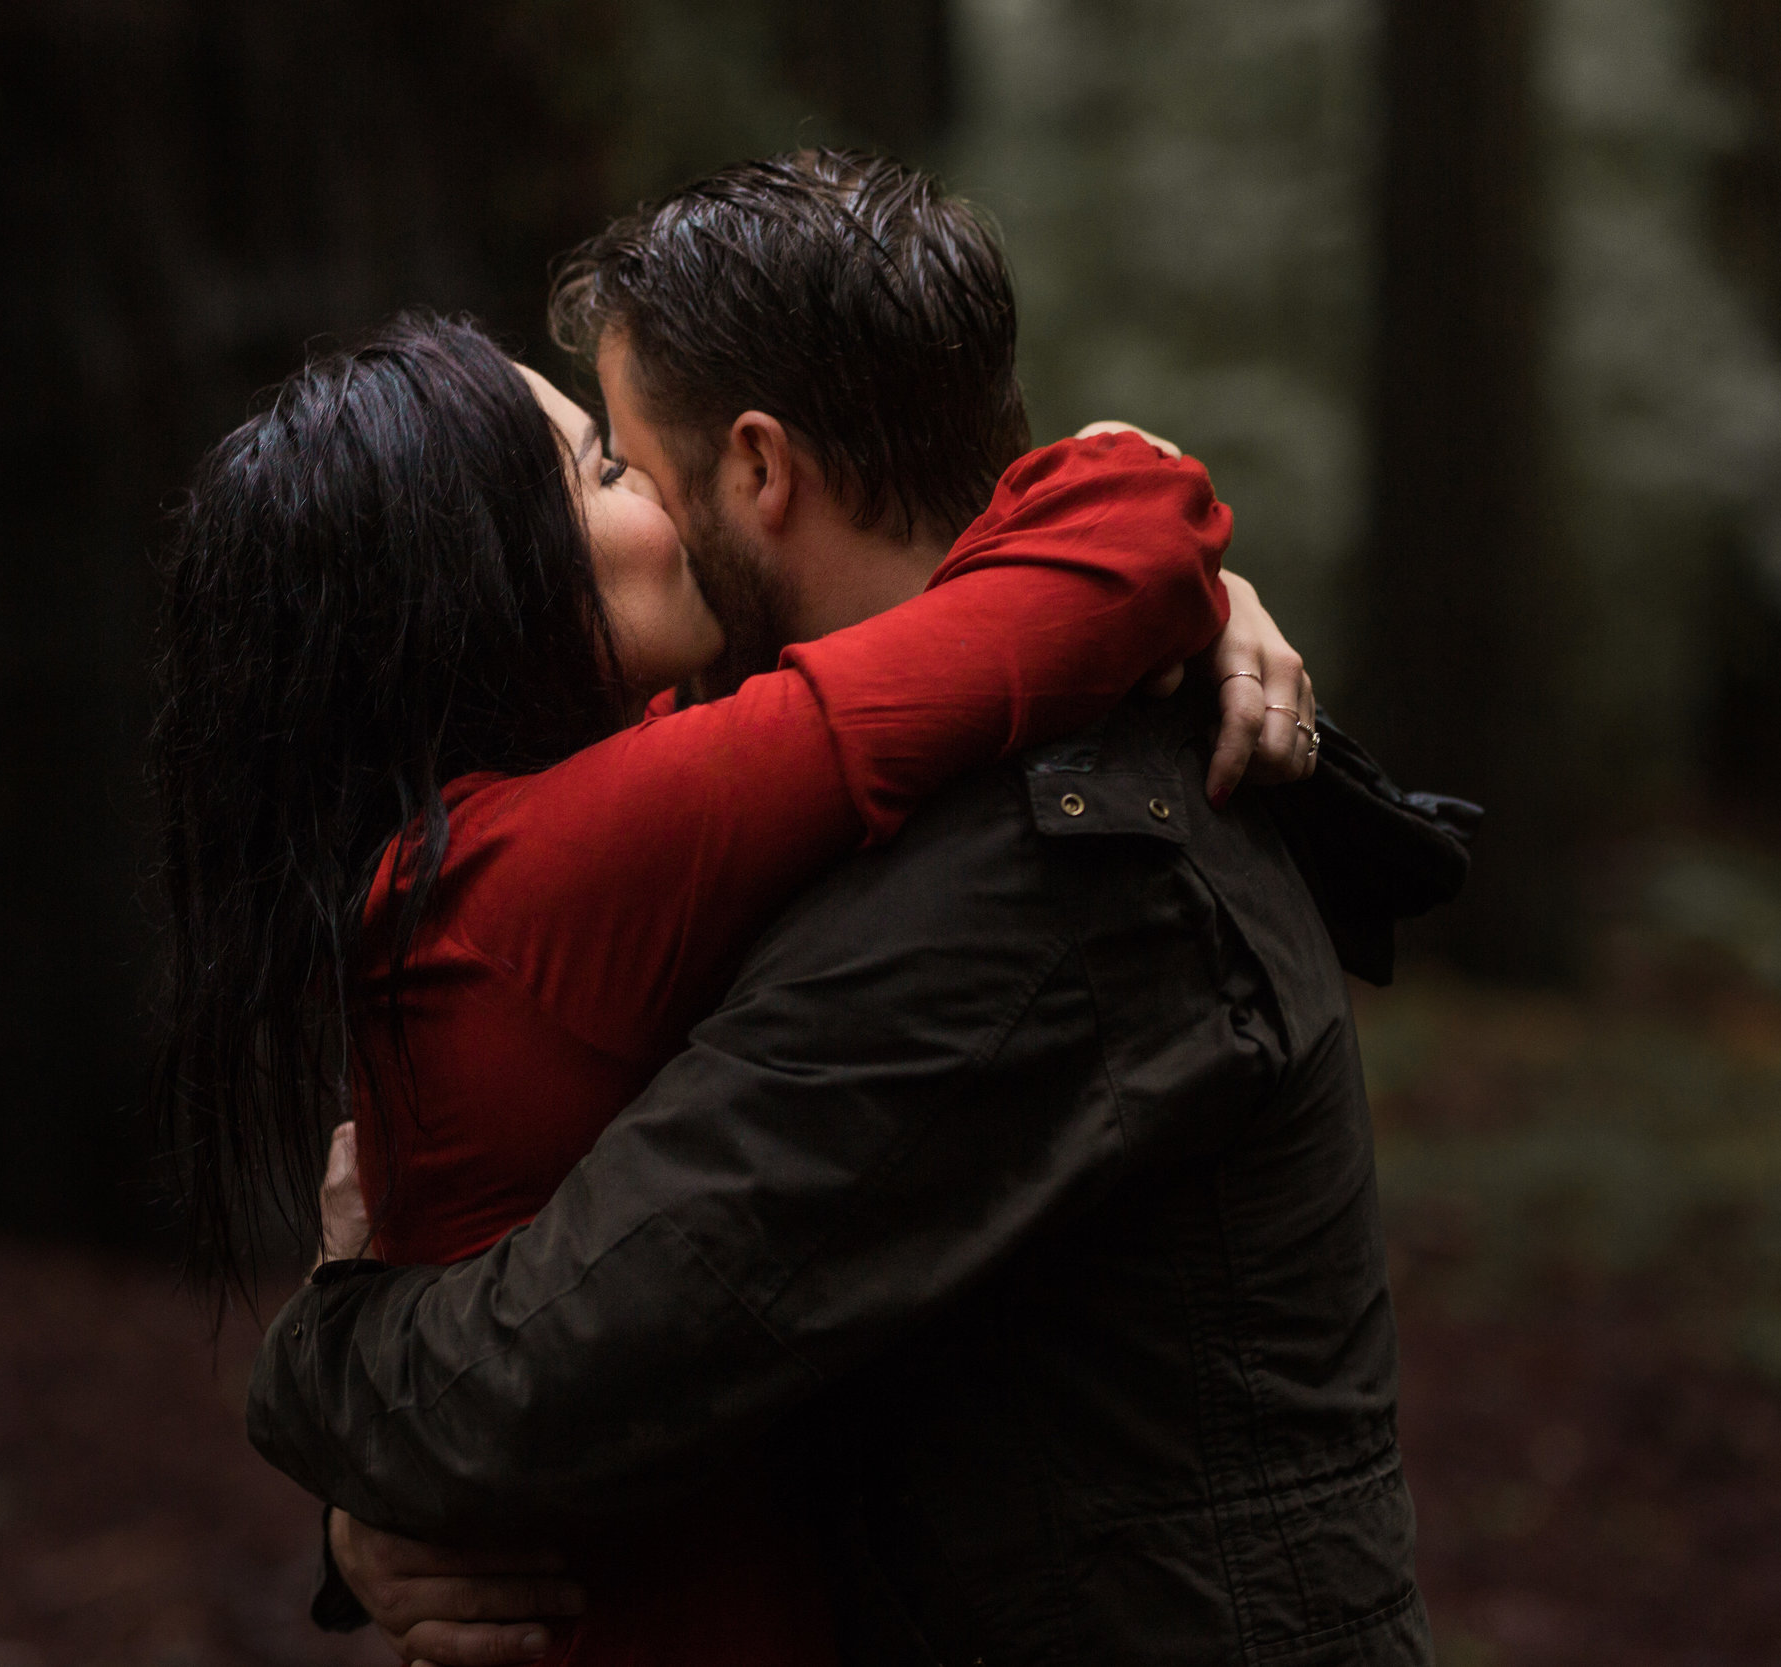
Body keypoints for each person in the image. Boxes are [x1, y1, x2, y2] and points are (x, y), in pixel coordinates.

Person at [246, 152, 1462, 1667]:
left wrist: (333, 1358)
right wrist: (383, 1521)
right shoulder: (874, 795)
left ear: (759, 472)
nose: (621, 513)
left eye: (623, 465)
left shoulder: (1033, 871)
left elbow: (534, 1383)